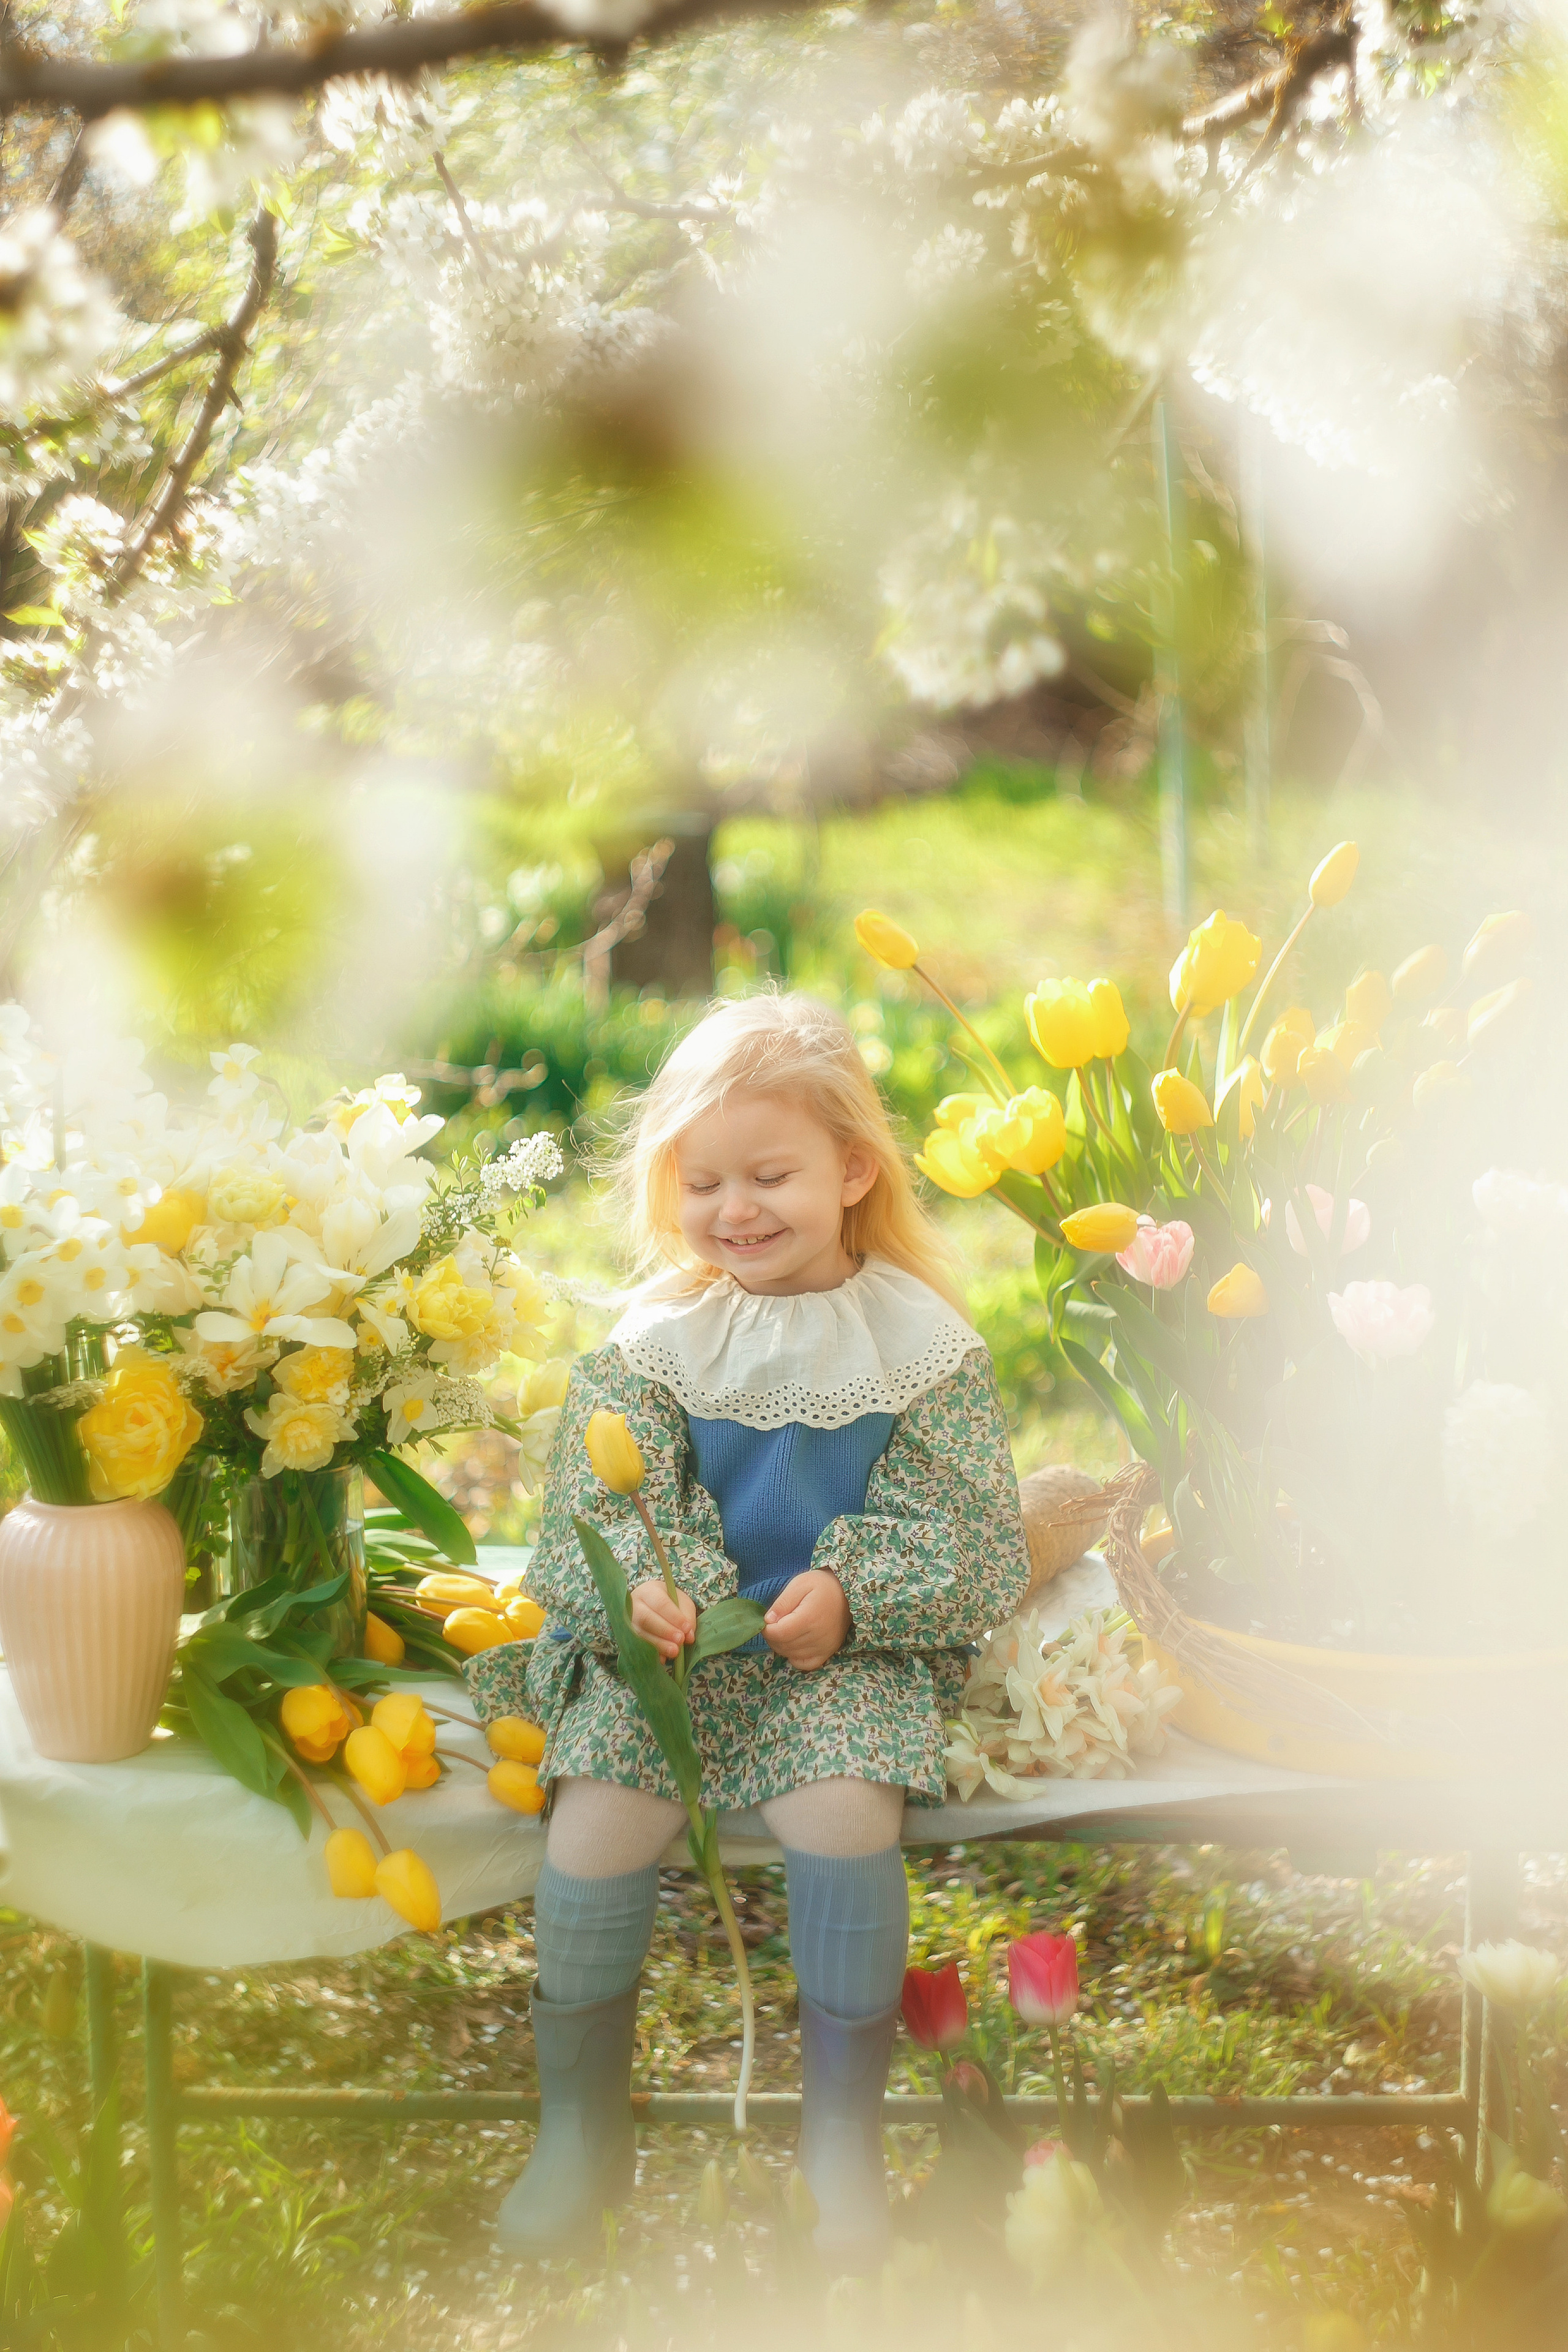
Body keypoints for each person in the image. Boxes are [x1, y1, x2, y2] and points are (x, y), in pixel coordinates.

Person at [469, 990, 1029, 2269]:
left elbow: (974, 1536)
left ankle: (839, 2142)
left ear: (849, 1170)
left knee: (843, 1815)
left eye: (769, 1175)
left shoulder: (922, 1347)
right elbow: (595, 1508)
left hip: (837, 1653)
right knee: (599, 1815)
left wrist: (849, 1591)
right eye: (702, 1183)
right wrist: (638, 1593)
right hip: (668, 1660)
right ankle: (578, 2131)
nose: (736, 1211)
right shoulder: (658, 1340)